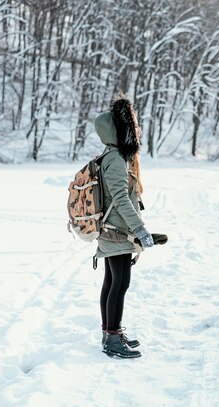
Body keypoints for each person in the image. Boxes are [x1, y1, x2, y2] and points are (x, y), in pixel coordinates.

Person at [93, 95, 154, 359]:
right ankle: (113, 339)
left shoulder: (110, 155)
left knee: (112, 282)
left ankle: (111, 332)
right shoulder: (115, 159)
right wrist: (140, 230)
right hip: (118, 232)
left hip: (113, 230)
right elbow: (120, 198)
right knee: (119, 283)